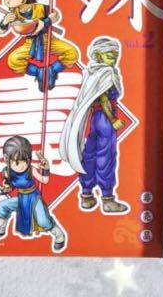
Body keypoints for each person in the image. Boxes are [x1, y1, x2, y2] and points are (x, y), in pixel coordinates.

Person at [59, 37, 128, 213]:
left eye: (115, 56)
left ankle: (87, 195)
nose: (114, 59)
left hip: (92, 119)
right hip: (104, 118)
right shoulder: (106, 72)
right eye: (109, 56)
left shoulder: (91, 72)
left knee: (89, 155)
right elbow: (104, 98)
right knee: (105, 156)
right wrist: (113, 119)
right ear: (98, 55)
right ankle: (107, 199)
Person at [0, 136, 66, 252]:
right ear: (6, 158)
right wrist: (6, 188)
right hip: (22, 199)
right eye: (17, 162)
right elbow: (10, 187)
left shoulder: (31, 169)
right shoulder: (7, 172)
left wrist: (46, 168)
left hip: (34, 198)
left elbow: (44, 180)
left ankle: (59, 236)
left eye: (25, 160)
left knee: (43, 221)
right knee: (2, 206)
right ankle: (0, 229)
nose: (22, 165)